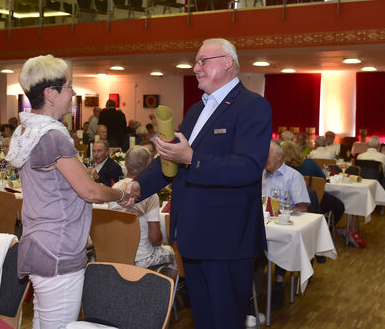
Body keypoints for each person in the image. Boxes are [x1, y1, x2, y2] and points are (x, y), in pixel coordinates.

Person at [125, 38, 272, 328]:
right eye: (196, 62)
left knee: (225, 320)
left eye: (203, 61)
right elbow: (170, 161)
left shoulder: (253, 106)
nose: (196, 68)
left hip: (227, 239)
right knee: (203, 320)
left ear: (228, 62)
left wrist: (193, 158)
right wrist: (139, 186)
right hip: (192, 236)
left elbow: (249, 168)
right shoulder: (196, 110)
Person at [5, 54, 137, 329]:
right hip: (58, 246)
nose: (73, 93)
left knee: (43, 321)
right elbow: (90, 192)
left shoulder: (26, 130)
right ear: (50, 94)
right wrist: (122, 193)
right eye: (68, 87)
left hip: (38, 240)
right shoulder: (52, 136)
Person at [108, 146, 177, 277]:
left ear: (126, 164)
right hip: (141, 259)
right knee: (176, 255)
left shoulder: (116, 189)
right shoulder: (150, 195)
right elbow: (155, 238)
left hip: (115, 255)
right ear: (148, 167)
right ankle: (164, 295)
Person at [262, 141, 310, 308]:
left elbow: (303, 207)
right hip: (263, 223)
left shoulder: (293, 176)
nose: (263, 157)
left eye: (267, 154)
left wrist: (283, 215)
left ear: (279, 156)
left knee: (285, 240)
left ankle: (279, 283)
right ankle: (251, 287)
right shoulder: (260, 174)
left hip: (283, 224)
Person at [281, 140, 345, 226]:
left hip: (290, 204)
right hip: (316, 200)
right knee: (339, 206)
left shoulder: (282, 169)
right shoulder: (309, 163)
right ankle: (326, 228)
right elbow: (322, 179)